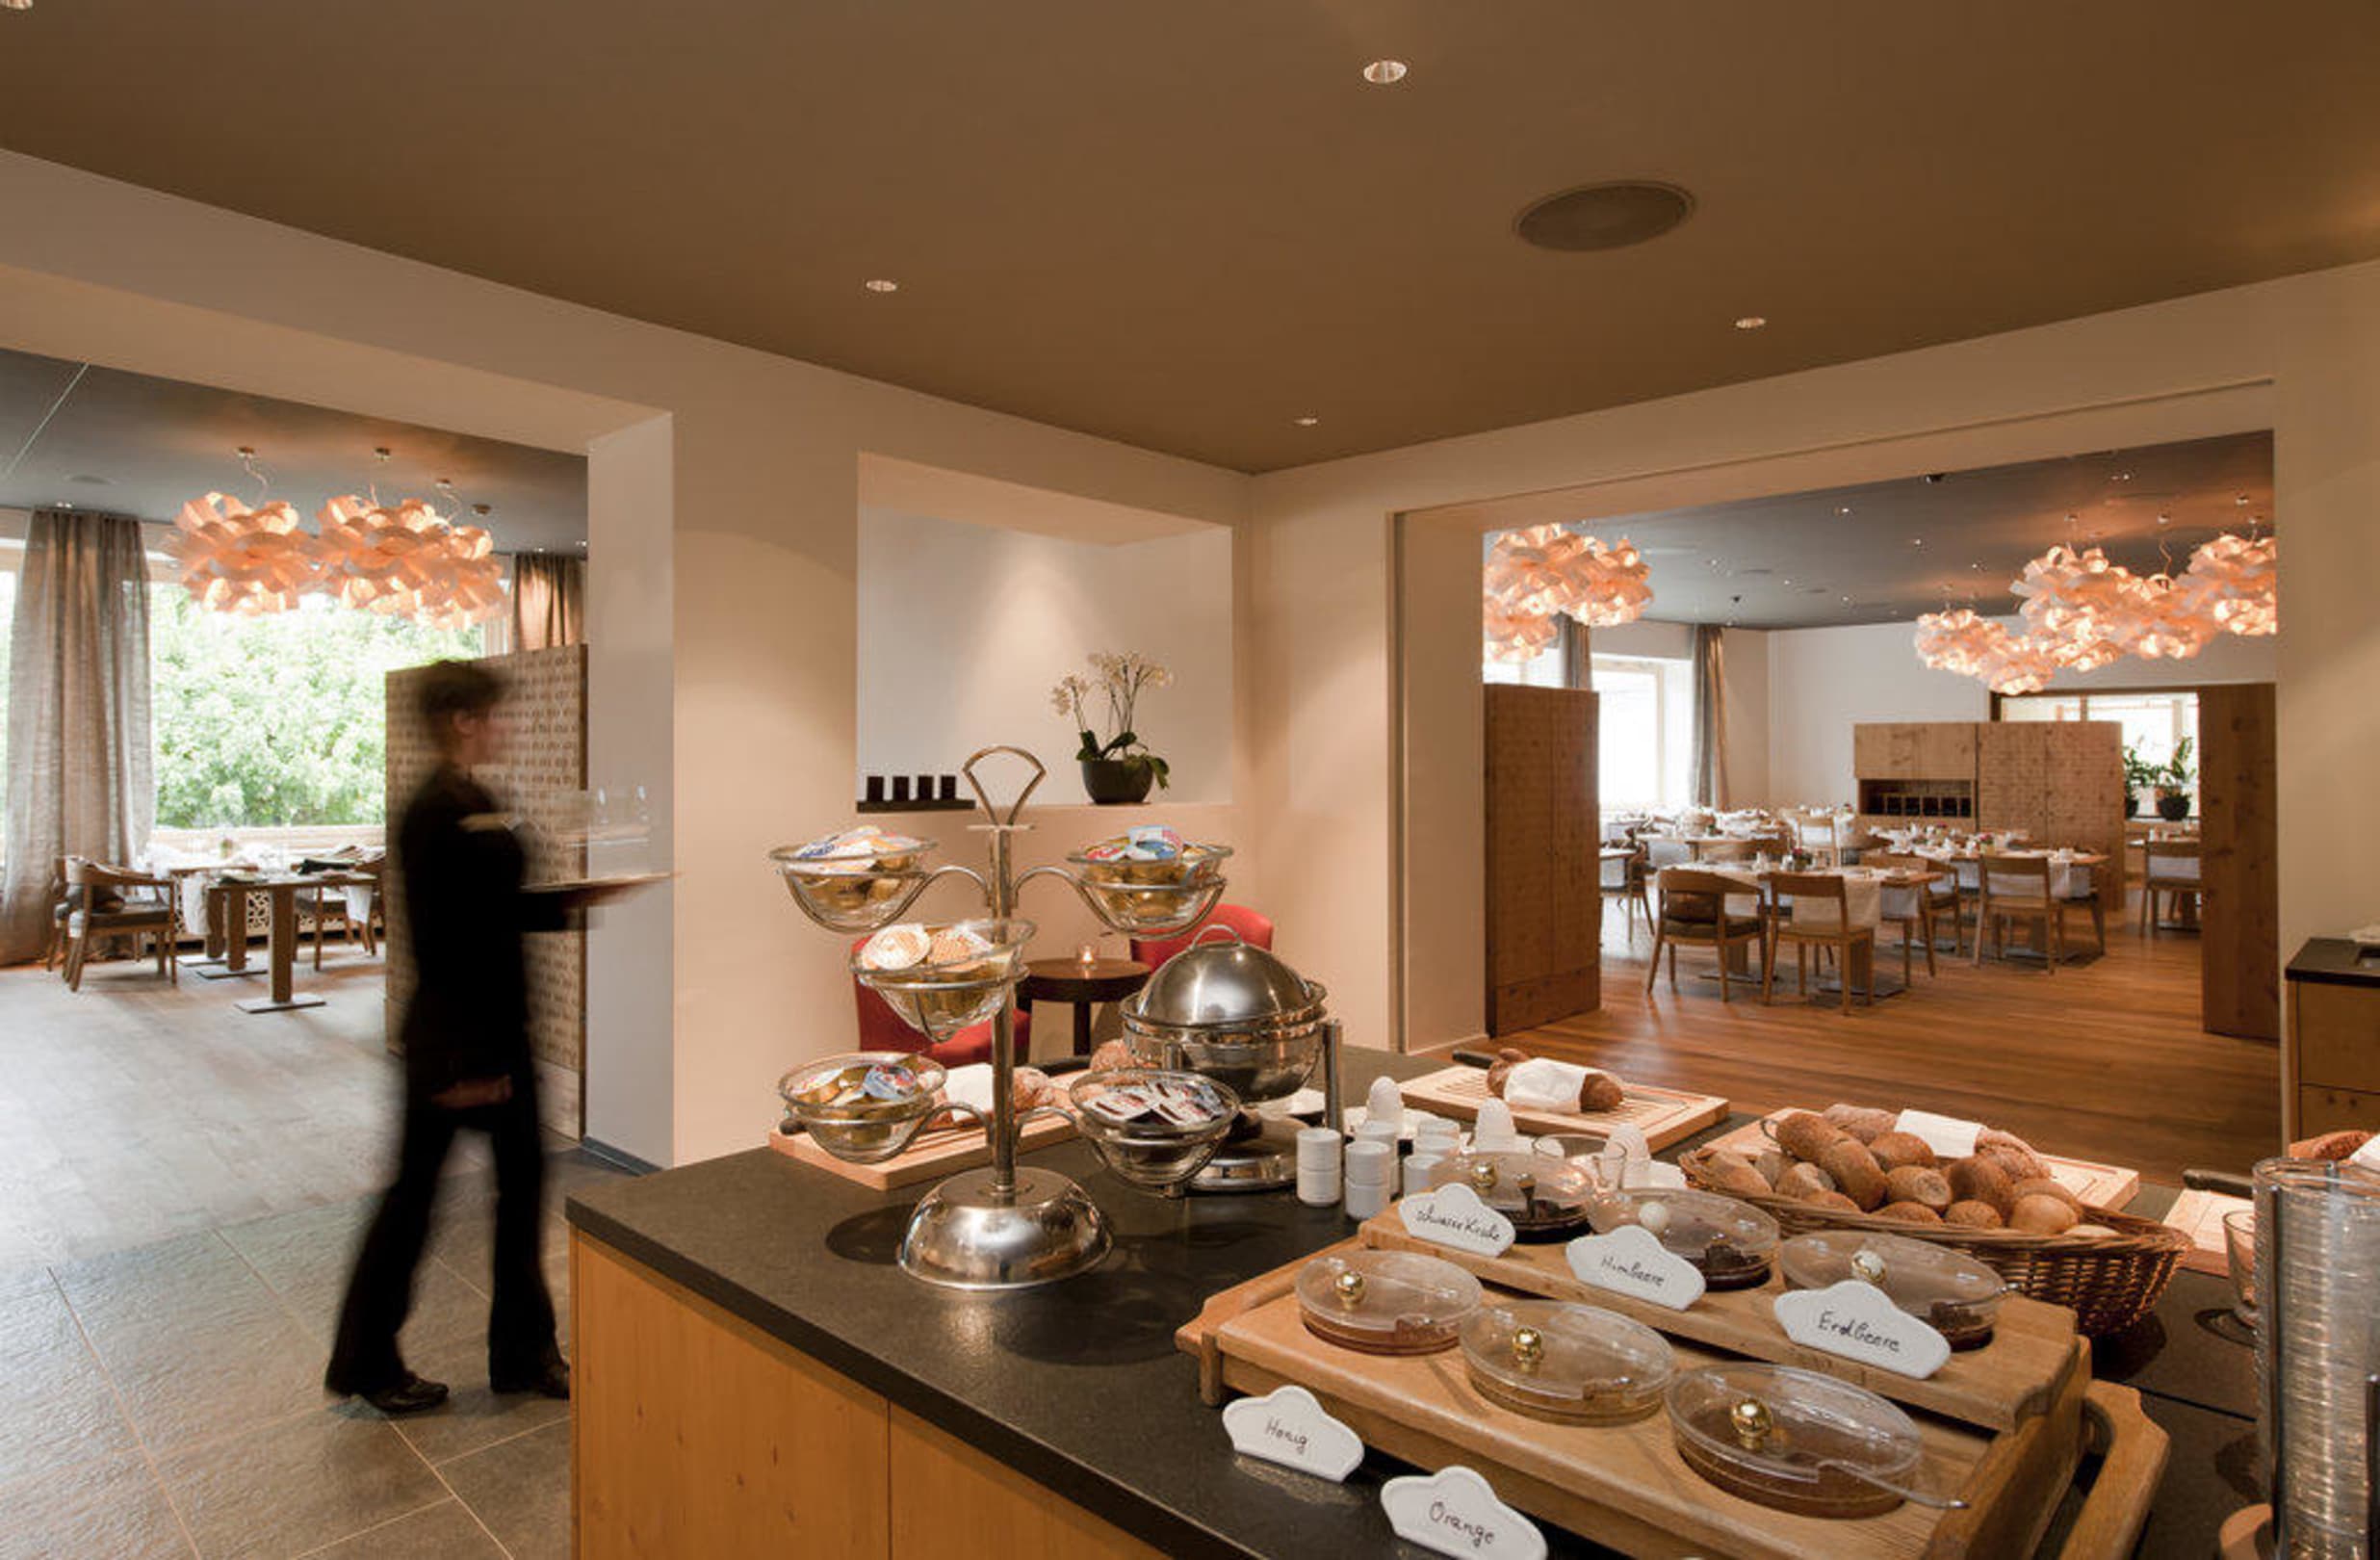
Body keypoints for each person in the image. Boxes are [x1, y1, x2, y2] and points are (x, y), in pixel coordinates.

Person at [325, 661, 636, 1415]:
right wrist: (469, 1064)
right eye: (496, 714)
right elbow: (447, 942)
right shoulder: (434, 812)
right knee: (415, 1203)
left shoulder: (474, 799)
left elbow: (497, 911)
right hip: (460, 1044)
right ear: (463, 720)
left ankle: (522, 1354)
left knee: (518, 1194)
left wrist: (576, 899)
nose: (507, 726)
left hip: (497, 1037)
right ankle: (368, 1360)